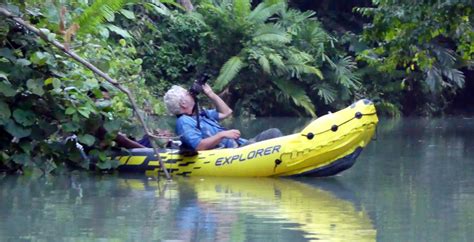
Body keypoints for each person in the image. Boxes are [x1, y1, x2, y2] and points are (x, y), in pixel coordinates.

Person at [163, 84, 282, 151]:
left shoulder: (201, 114)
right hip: (232, 154)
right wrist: (222, 135)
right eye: (188, 94)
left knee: (273, 133)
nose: (192, 94)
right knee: (274, 134)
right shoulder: (184, 122)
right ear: (183, 103)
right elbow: (199, 146)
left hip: (242, 145)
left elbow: (227, 112)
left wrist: (211, 94)